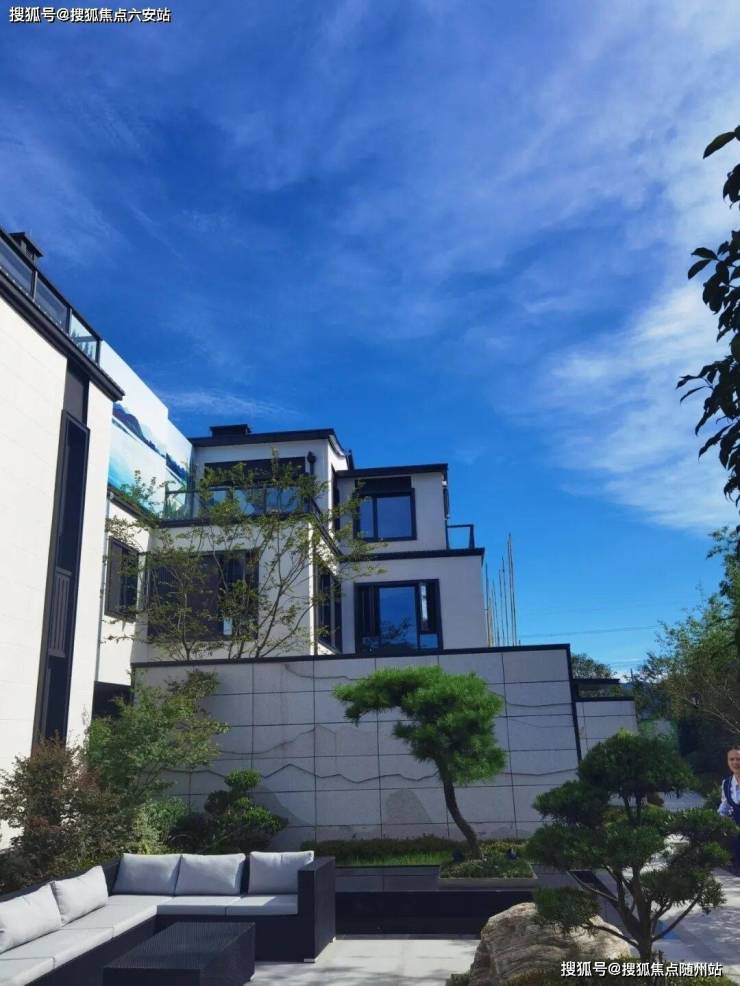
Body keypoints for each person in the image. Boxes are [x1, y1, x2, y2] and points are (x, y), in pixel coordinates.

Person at [718, 745, 740, 872]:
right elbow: (724, 808)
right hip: (736, 839)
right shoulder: (726, 784)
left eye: (738, 759)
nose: (735, 762)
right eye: (731, 759)